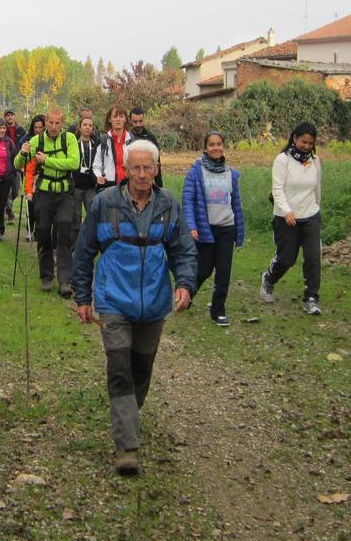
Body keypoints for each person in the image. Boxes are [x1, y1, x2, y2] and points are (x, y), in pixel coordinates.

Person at [71, 139, 197, 476]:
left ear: (157, 169)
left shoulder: (168, 204)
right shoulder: (104, 204)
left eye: (148, 168)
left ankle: (128, 414)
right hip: (114, 300)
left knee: (141, 368)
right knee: (120, 367)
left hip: (154, 303)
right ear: (125, 169)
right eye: (135, 168)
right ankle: (127, 446)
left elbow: (184, 250)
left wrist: (185, 284)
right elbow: (84, 253)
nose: (142, 174)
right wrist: (83, 297)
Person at [182, 131, 245, 326]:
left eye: (219, 144)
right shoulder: (196, 172)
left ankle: (218, 311)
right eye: (212, 144)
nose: (216, 147)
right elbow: (188, 201)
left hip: (227, 227)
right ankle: (187, 295)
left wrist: (239, 231)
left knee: (224, 271)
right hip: (205, 228)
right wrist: (191, 225)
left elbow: (236, 203)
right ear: (205, 148)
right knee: (204, 269)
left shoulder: (231, 174)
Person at [260, 122, 324, 315]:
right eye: (303, 141)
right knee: (287, 258)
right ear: (294, 138)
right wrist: (287, 211)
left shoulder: (315, 161)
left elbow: (317, 187)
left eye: (310, 143)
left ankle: (311, 297)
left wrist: (317, 207)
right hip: (286, 217)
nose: (306, 146)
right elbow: (277, 189)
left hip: (310, 215)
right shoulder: (283, 160)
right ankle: (269, 279)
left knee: (313, 257)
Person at [15, 108, 79, 296]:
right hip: (43, 193)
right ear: (46, 123)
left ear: (62, 123)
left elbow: (74, 163)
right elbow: (18, 164)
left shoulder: (69, 139)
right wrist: (22, 153)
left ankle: (65, 280)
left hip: (65, 193)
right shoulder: (37, 141)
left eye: (57, 123)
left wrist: (48, 160)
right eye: (50, 123)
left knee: (64, 231)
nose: (53, 126)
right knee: (43, 232)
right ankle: (46, 276)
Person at [71, 116, 101, 250]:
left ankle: (90, 245)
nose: (88, 127)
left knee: (93, 214)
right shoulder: (73, 144)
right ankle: (75, 247)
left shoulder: (96, 145)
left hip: (90, 186)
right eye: (85, 125)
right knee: (76, 218)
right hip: (76, 186)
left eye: (90, 125)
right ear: (80, 127)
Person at [19, 114, 45, 241]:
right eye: (36, 127)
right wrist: (21, 165)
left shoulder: (47, 140)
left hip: (43, 175)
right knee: (31, 202)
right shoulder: (27, 140)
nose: (38, 130)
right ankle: (30, 229)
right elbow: (18, 155)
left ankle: (39, 231)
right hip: (31, 174)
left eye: (41, 127)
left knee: (41, 205)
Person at [93, 104, 131, 189]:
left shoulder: (132, 141)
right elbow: (96, 166)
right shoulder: (102, 140)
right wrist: (99, 176)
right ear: (110, 119)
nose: (118, 119)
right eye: (115, 116)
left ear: (125, 119)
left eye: (121, 116)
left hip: (129, 185)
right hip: (109, 186)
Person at [128, 107, 163, 188]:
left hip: (146, 180)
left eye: (140, 121)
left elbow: (157, 161)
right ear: (130, 121)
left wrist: (159, 185)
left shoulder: (150, 137)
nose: (138, 124)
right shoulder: (126, 137)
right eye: (135, 122)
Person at [3, 110, 25, 222]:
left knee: (16, 190)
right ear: (5, 117)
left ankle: (8, 205)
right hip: (5, 164)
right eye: (7, 115)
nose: (10, 117)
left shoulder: (20, 130)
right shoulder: (2, 129)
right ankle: (9, 210)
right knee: (6, 188)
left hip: (17, 164)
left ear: (15, 117)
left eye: (11, 115)